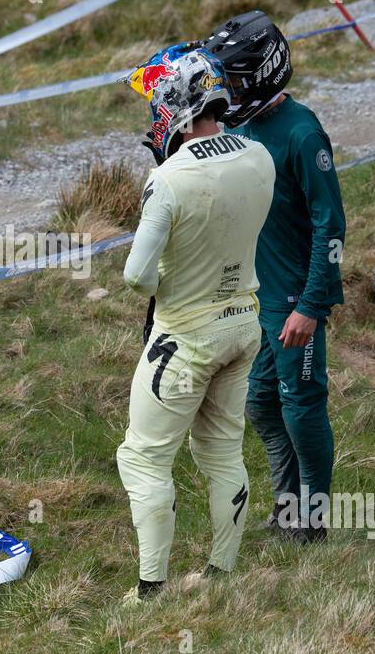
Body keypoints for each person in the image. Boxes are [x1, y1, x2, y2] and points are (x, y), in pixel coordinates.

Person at [115, 46, 275, 603]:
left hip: (183, 337)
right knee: (222, 450)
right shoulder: (259, 156)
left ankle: (150, 590)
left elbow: (136, 277)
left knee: (143, 457)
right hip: (244, 323)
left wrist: (170, 277)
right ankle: (221, 572)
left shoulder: (170, 178)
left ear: (172, 107)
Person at [203, 10, 346, 543]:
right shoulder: (238, 124)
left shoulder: (303, 134)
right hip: (252, 298)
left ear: (264, 71)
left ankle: (312, 520)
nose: (227, 87)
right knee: (261, 401)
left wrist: (311, 305)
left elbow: (330, 225)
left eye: (235, 77)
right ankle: (288, 509)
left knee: (301, 401)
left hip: (292, 300)